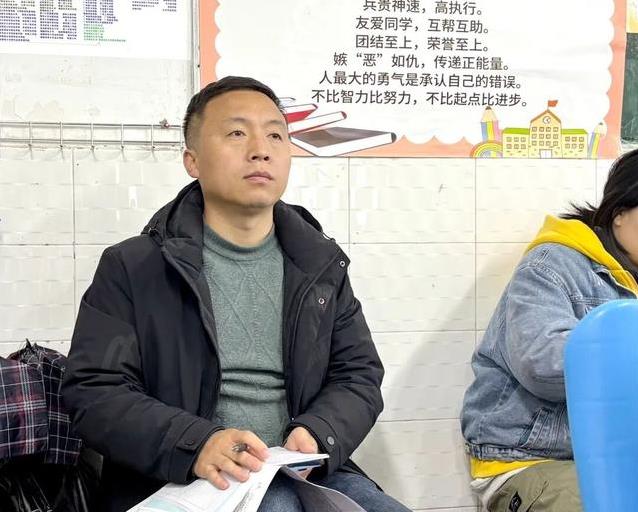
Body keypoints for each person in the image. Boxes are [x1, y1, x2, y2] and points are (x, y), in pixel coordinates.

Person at [61, 76, 410, 512]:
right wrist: (196, 442)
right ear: (192, 161)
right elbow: (94, 391)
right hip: (179, 476)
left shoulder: (318, 264)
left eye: (275, 135)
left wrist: (318, 433)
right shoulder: (134, 267)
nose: (261, 149)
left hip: (300, 470)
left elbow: (358, 374)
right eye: (237, 133)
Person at [461, 148, 638, 511]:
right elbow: (543, 366)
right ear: (619, 213)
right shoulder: (552, 265)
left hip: (618, 457)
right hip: (531, 457)